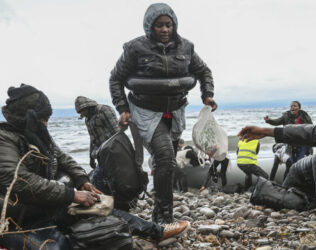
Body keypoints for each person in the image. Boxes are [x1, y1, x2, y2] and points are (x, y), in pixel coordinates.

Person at [0, 84, 190, 249]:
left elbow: (63, 158)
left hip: (46, 205)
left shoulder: (37, 135)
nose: (46, 124)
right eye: (43, 119)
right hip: (17, 218)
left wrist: (82, 180)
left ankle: (156, 230)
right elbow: (19, 182)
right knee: (57, 246)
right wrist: (71, 194)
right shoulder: (5, 139)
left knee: (102, 207)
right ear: (29, 116)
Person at [109, 3, 217, 224]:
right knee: (167, 156)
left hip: (175, 110)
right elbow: (116, 79)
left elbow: (203, 71)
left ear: (174, 25)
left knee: (164, 161)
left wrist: (207, 94)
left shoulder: (186, 47)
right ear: (150, 27)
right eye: (159, 25)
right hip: (146, 111)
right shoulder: (134, 49)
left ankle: (158, 209)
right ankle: (166, 215)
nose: (165, 30)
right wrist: (122, 108)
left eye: (169, 25)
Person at [238, 86, 316, 222]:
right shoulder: (287, 116)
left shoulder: (305, 116)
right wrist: (267, 130)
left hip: (305, 162)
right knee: (299, 194)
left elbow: (313, 134)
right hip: (298, 165)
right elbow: (312, 132)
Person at [74, 96, 119, 193]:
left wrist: (120, 153)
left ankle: (103, 202)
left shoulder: (104, 110)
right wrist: (91, 157)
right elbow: (92, 139)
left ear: (87, 107)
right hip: (100, 154)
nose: (82, 114)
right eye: (80, 112)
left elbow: (117, 132)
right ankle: (110, 200)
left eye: (82, 111)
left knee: (98, 177)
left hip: (112, 152)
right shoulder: (87, 120)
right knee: (103, 178)